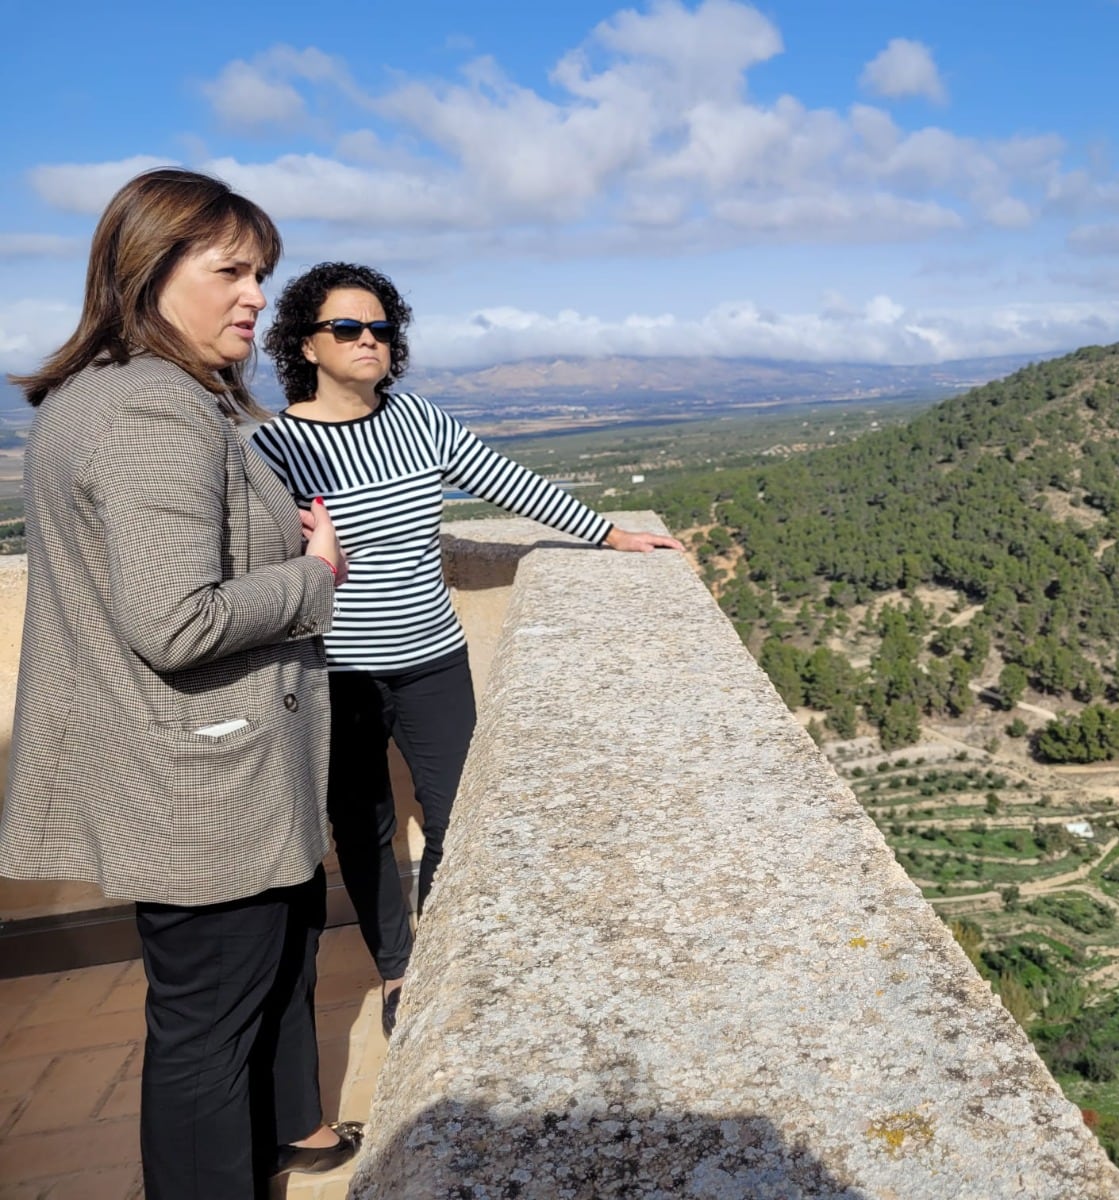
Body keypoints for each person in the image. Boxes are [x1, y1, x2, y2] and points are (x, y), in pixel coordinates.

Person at [0, 169, 360, 1198]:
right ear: (148, 268)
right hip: (201, 785)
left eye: (264, 273)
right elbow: (177, 621)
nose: (256, 296)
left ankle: (286, 1143)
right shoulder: (152, 412)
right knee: (205, 1034)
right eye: (231, 271)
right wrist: (315, 577)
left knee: (238, 1002)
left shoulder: (107, 394)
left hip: (198, 771)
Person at [255, 262, 682, 1037]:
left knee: (459, 815)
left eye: (381, 328)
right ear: (306, 344)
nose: (369, 341)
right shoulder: (277, 448)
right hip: (335, 670)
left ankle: (449, 956)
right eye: (347, 328)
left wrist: (614, 535)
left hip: (432, 661)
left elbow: (510, 483)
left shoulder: (419, 422)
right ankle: (397, 973)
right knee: (364, 829)